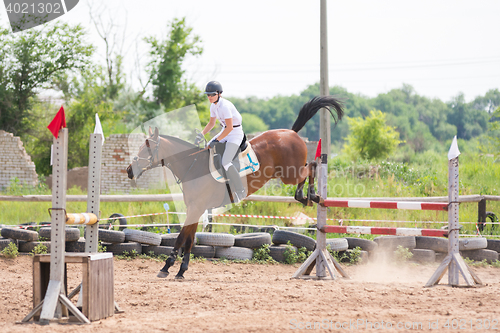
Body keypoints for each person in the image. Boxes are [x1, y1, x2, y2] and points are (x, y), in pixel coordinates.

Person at [195, 81, 246, 201]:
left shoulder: (225, 106)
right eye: (208, 95)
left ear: (219, 94)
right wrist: (201, 134)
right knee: (207, 146)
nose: (209, 97)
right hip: (225, 130)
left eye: (212, 94)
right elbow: (212, 123)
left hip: (235, 134)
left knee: (226, 162)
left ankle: (240, 190)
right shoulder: (213, 106)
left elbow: (230, 128)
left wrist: (217, 140)